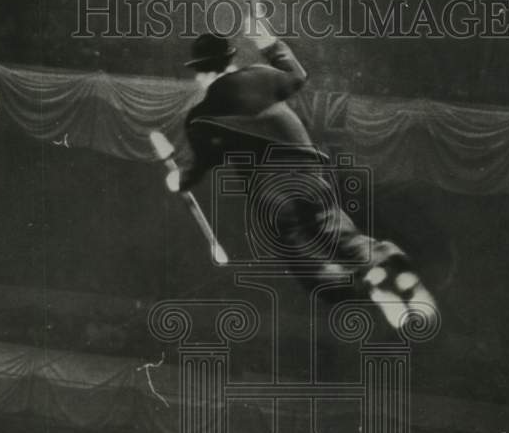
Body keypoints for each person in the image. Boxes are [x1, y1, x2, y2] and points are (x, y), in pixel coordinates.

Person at [165, 23, 435, 327]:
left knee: (305, 259)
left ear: (201, 73)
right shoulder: (261, 76)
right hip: (312, 175)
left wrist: (179, 180)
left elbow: (202, 162)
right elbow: (297, 75)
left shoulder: (201, 116)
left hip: (274, 194)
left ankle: (361, 287)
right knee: (341, 235)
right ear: (230, 60)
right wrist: (269, 43)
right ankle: (381, 263)